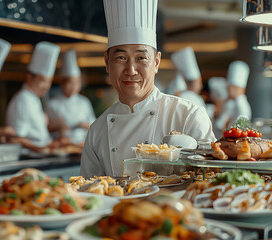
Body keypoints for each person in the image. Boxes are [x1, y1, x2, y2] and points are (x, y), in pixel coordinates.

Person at [80, 0, 216, 177]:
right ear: (107, 62)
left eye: (141, 58)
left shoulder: (189, 115)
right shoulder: (97, 131)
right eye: (121, 58)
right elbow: (89, 194)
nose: (131, 70)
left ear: (156, 62)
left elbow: (211, 180)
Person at [6, 42, 60, 151]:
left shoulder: (34, 99)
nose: (46, 86)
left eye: (49, 82)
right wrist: (38, 148)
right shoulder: (23, 98)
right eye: (43, 81)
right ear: (29, 77)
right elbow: (16, 137)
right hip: (26, 157)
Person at [45, 49, 96, 145]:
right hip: (61, 145)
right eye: (71, 82)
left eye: (77, 82)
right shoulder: (52, 104)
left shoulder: (84, 102)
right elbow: (46, 128)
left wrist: (84, 125)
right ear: (62, 83)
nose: (74, 86)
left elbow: (95, 126)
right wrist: (58, 126)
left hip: (83, 146)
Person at [215, 61, 252, 133]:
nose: (229, 90)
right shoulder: (229, 102)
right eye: (228, 87)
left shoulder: (242, 105)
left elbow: (237, 130)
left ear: (242, 89)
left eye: (233, 87)